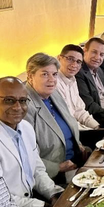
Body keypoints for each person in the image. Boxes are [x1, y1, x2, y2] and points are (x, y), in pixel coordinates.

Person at [0, 77, 63, 207]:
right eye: (9, 100)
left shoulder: (25, 127)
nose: (17, 107)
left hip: (33, 200)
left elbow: (37, 169)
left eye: (23, 101)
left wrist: (53, 193)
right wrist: (43, 205)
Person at [25, 53, 87, 181]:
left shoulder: (54, 94)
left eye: (54, 74)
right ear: (30, 77)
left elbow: (70, 123)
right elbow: (27, 155)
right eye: (45, 74)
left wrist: (78, 144)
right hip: (55, 175)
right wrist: (57, 167)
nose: (52, 80)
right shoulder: (25, 107)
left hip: (74, 160)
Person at [55, 44, 102, 130]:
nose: (74, 65)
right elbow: (66, 119)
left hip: (79, 128)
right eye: (70, 59)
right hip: (69, 131)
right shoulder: (54, 84)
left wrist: (96, 126)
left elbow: (79, 111)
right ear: (59, 58)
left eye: (78, 62)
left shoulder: (72, 80)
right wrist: (90, 131)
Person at [76, 38, 104, 125]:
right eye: (94, 52)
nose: (98, 57)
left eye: (101, 54)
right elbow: (89, 104)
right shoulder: (79, 73)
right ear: (85, 51)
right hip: (97, 119)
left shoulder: (100, 70)